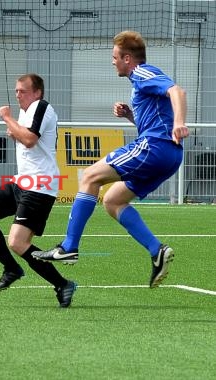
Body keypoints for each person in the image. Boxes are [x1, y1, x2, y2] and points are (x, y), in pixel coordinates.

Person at [33, 30, 189, 288]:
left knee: (91, 176)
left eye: (115, 56)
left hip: (156, 147)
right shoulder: (139, 83)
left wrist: (180, 123)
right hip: (168, 154)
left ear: (128, 58)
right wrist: (130, 116)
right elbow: (155, 118)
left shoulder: (141, 72)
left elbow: (177, 91)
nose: (112, 61)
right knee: (114, 200)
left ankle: (69, 246)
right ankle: (156, 250)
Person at [0, 73, 77, 308]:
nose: (18, 94)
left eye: (23, 91)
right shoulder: (26, 111)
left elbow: (29, 140)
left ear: (37, 93)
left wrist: (7, 119)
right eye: (16, 90)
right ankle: (11, 268)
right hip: (22, 183)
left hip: (40, 187)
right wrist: (15, 127)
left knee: (18, 243)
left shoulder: (41, 106)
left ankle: (62, 284)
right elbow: (27, 139)